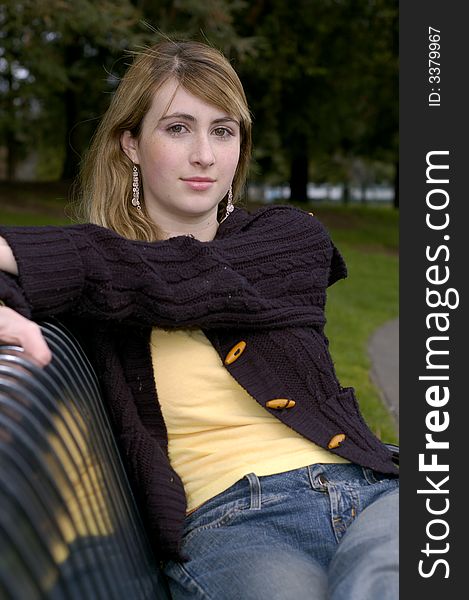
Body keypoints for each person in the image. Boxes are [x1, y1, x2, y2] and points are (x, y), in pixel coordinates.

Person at [0, 40, 398, 599]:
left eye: (223, 130)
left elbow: (177, 278)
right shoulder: (92, 289)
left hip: (373, 495)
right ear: (131, 144)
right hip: (237, 526)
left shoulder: (289, 242)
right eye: (179, 128)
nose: (205, 155)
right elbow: (103, 276)